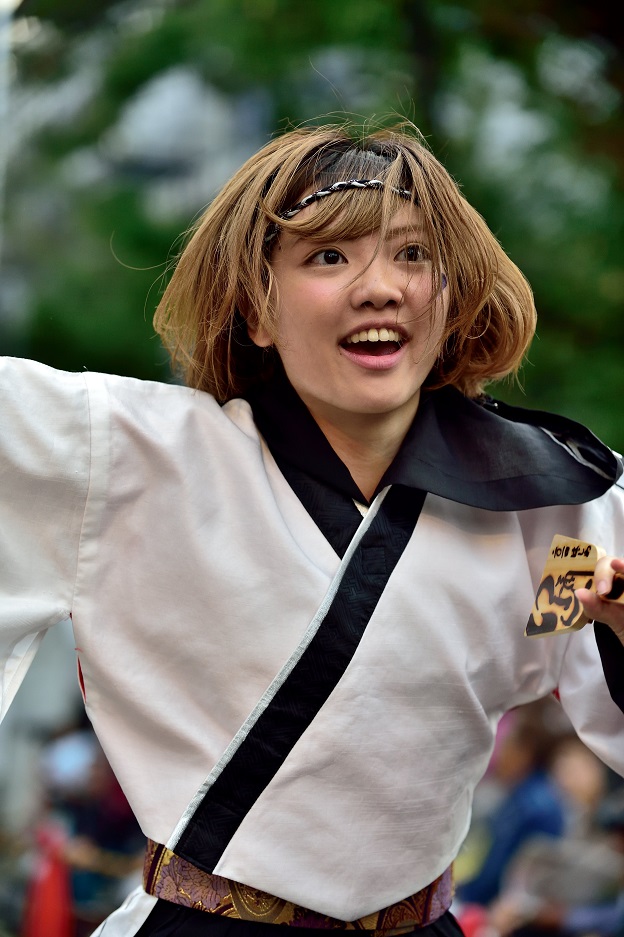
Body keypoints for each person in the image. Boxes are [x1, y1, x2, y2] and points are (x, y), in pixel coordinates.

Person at [1, 119, 624, 937]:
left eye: (412, 255)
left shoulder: (551, 502)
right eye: (329, 256)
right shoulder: (124, 456)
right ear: (257, 308)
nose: (380, 287)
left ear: (452, 296)